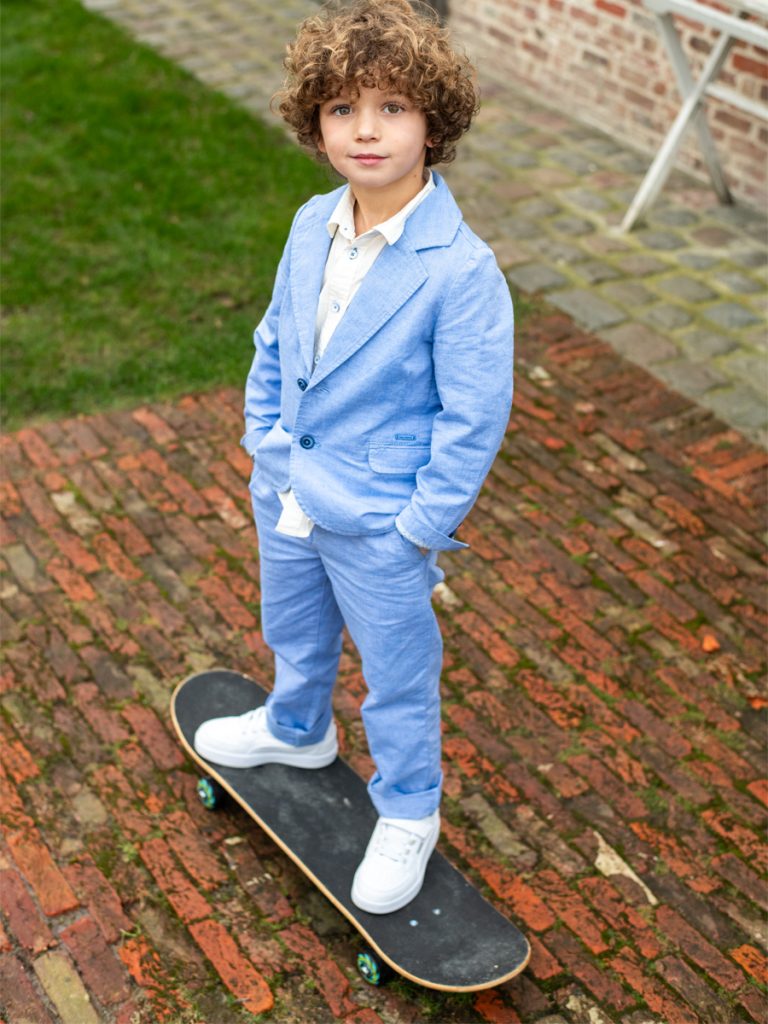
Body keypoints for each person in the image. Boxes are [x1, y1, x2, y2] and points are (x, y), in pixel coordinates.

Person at [194, 0, 514, 915]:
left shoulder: (460, 271)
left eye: (392, 109)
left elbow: (473, 418)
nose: (365, 130)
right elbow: (274, 341)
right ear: (314, 122)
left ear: (434, 123)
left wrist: (417, 529)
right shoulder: (310, 223)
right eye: (342, 109)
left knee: (397, 675)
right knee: (291, 624)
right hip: (290, 487)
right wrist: (266, 442)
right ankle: (297, 728)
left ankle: (409, 808)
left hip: (381, 517)